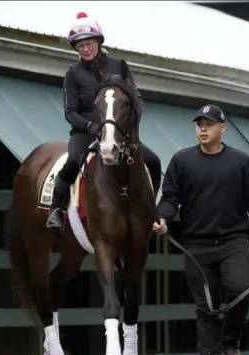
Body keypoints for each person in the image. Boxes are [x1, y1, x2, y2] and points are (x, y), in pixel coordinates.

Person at [153, 104, 249, 355]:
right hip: (196, 244)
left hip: (234, 240)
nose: (203, 128)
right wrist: (162, 217)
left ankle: (231, 341)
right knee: (206, 307)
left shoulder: (242, 162)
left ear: (222, 128)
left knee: (239, 290)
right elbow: (170, 197)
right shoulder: (181, 160)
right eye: (199, 123)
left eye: (209, 124)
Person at [46, 12, 162, 229]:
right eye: (80, 46)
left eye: (89, 43)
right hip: (86, 131)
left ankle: (151, 208)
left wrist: (123, 128)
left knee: (154, 161)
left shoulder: (120, 66)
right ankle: (56, 208)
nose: (85, 49)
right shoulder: (72, 74)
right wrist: (91, 126)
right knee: (72, 161)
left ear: (99, 42)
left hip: (119, 131)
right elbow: (70, 112)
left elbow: (136, 101)